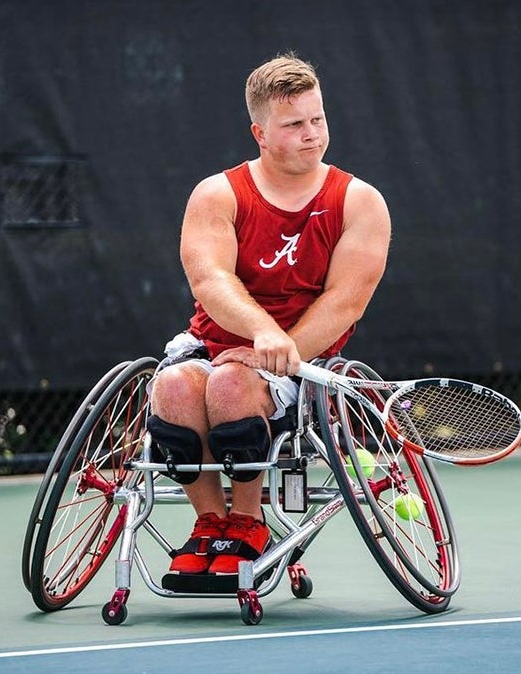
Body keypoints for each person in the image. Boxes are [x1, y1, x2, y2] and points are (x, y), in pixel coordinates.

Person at [146, 52, 392, 576]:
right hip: (218, 344)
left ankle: (249, 522)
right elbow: (210, 279)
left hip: (302, 364)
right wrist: (261, 332)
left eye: (318, 119)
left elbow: (346, 301)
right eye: (294, 124)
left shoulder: (360, 202)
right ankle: (210, 523)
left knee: (232, 386)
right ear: (259, 132)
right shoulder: (217, 194)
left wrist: (283, 351)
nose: (312, 134)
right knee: (170, 387)